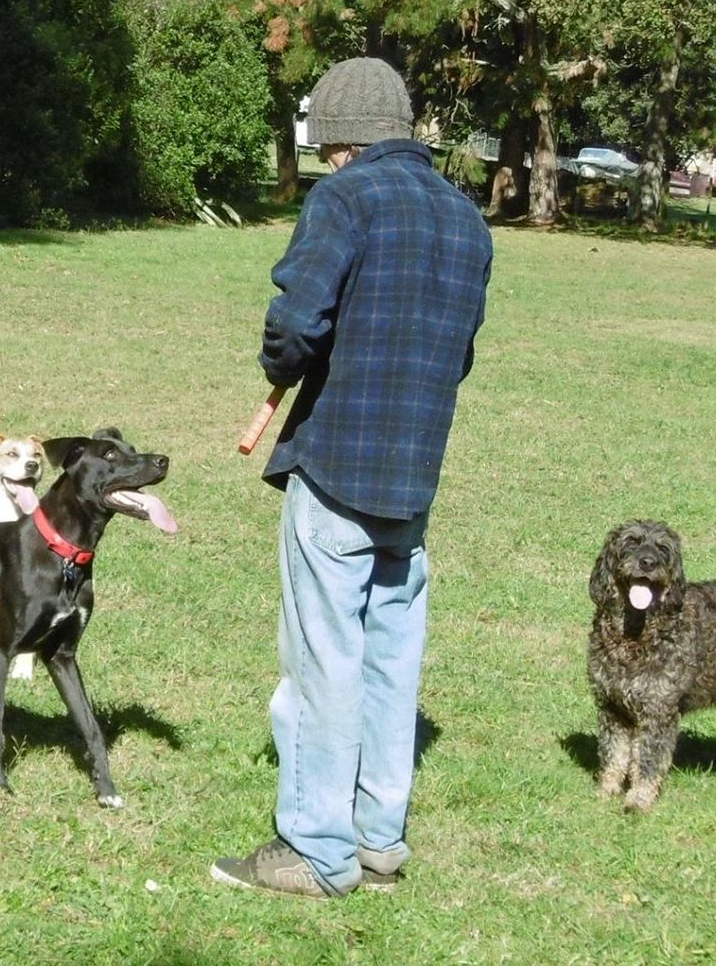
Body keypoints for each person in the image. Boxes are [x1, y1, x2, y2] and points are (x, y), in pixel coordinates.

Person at [212, 57, 492, 898]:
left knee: (322, 659)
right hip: (415, 476)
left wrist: (282, 362)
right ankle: (378, 841)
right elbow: (461, 354)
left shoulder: (343, 197)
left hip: (337, 468)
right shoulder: (466, 219)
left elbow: (295, 325)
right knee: (388, 657)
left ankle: (315, 850)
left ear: (338, 139)